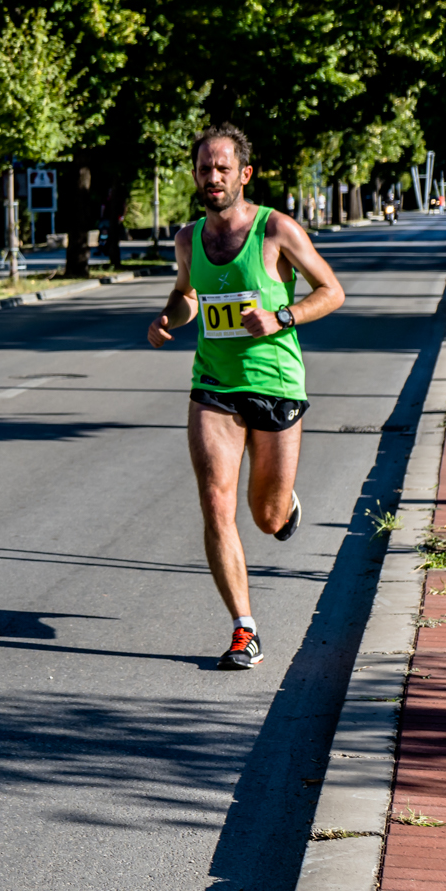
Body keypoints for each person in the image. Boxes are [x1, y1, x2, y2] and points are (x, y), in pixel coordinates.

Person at [146, 124, 345, 670]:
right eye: (204, 168)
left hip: (276, 384)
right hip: (213, 385)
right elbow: (188, 295)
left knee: (266, 516)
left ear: (244, 175)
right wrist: (169, 318)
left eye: (222, 169)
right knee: (215, 502)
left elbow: (332, 291)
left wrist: (282, 315)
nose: (212, 178)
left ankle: (284, 508)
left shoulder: (276, 229)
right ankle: (244, 629)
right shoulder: (189, 240)